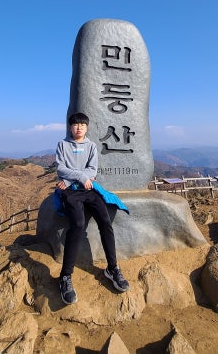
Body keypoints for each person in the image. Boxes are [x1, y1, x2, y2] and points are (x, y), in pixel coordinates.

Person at [55, 111, 130, 304]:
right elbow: (60, 168)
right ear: (70, 127)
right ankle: (65, 276)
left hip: (88, 189)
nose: (79, 127)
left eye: (82, 125)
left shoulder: (91, 146)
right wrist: (80, 177)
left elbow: (93, 169)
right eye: (75, 124)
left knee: (105, 221)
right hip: (71, 191)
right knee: (78, 224)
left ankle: (112, 268)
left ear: (87, 128)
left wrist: (74, 177)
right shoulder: (62, 145)